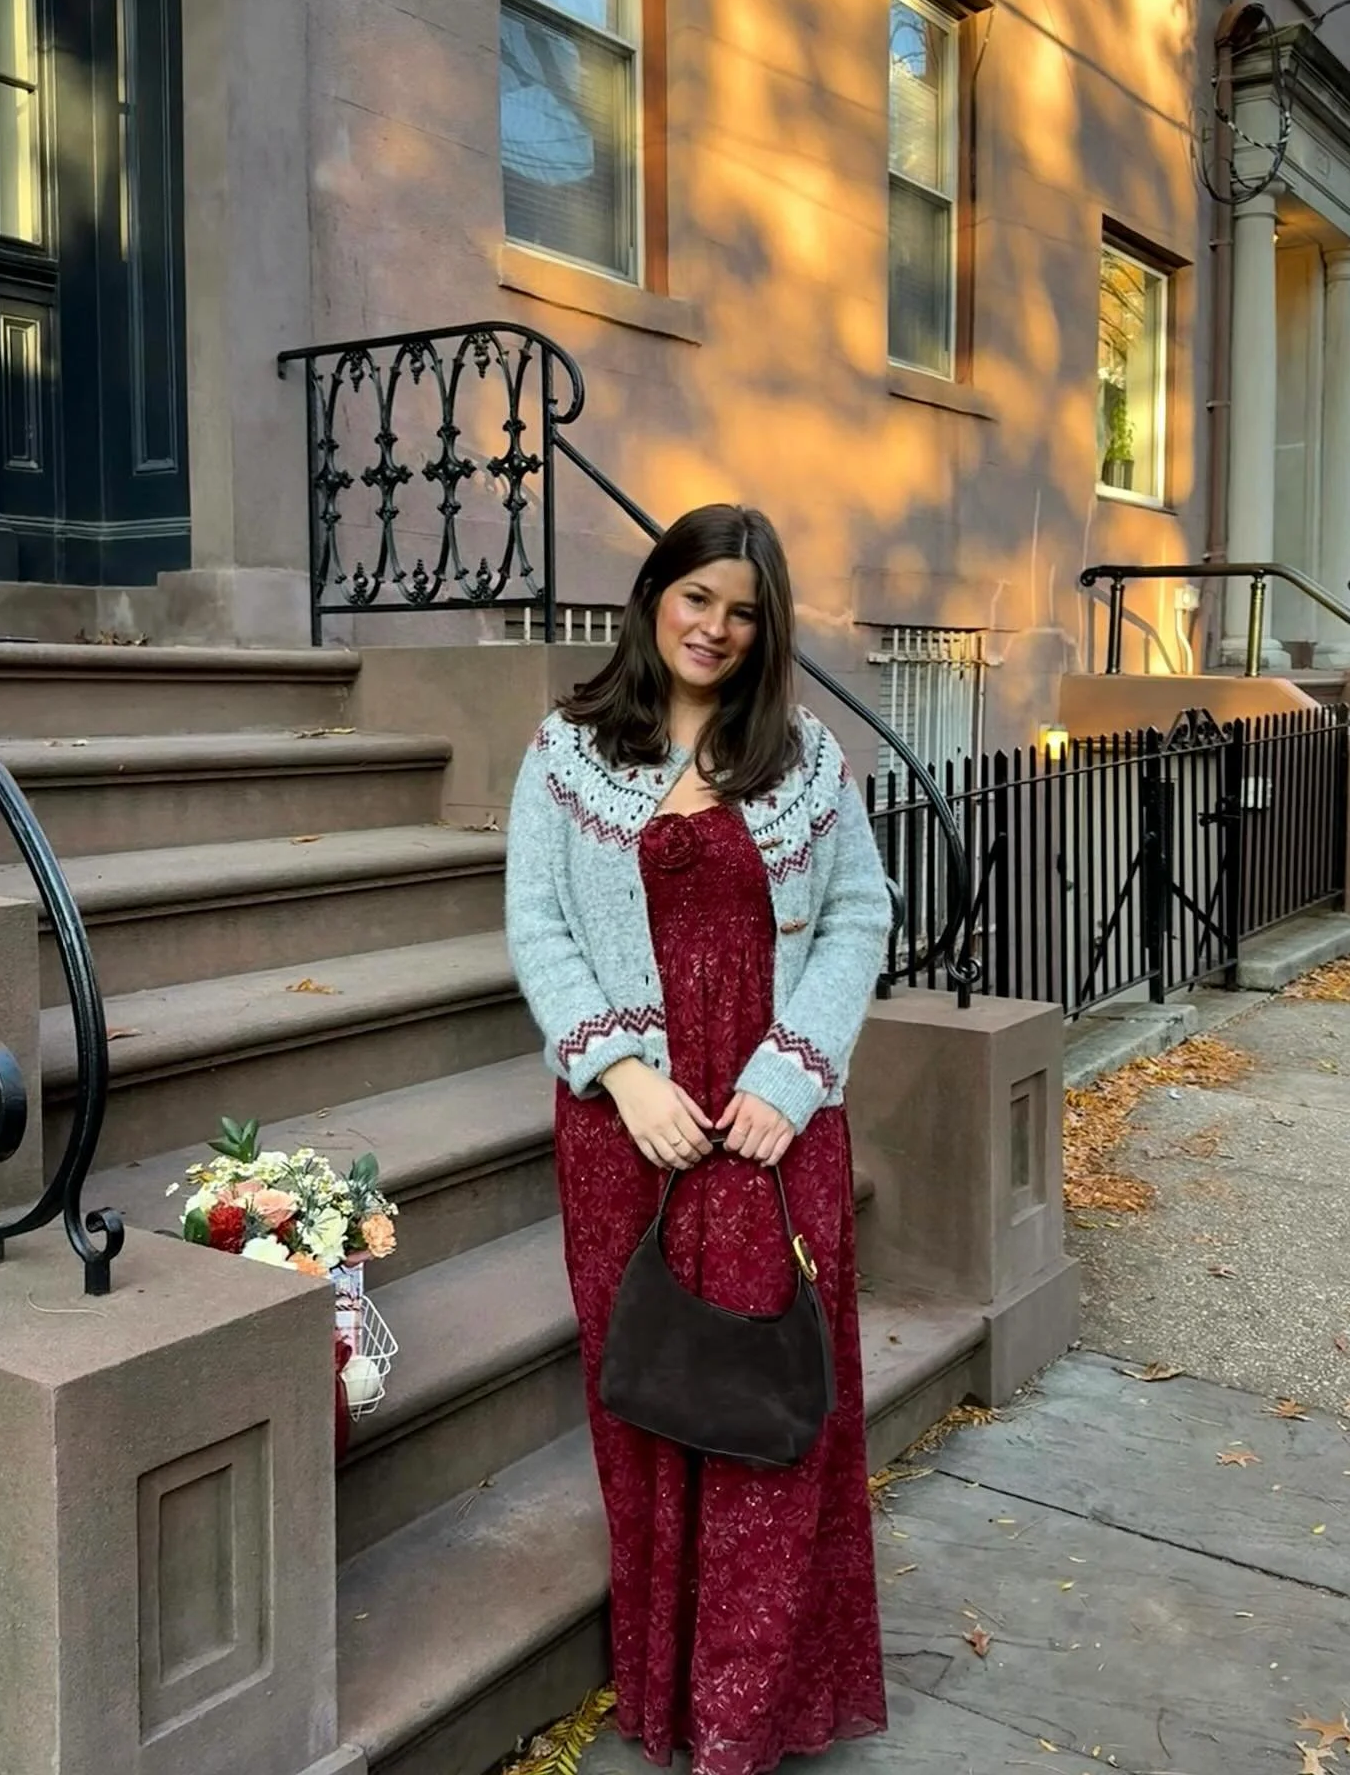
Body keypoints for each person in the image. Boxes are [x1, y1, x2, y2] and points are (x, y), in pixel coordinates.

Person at [505, 504, 891, 1775]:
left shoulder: (807, 760)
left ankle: (750, 1711)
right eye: (697, 598)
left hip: (771, 1129)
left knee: (769, 1400)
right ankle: (666, 1692)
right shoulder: (564, 755)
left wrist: (796, 1067)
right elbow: (541, 928)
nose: (716, 628)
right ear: (652, 594)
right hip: (632, 1132)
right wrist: (621, 1072)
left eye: (743, 611)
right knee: (655, 1401)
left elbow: (856, 917)